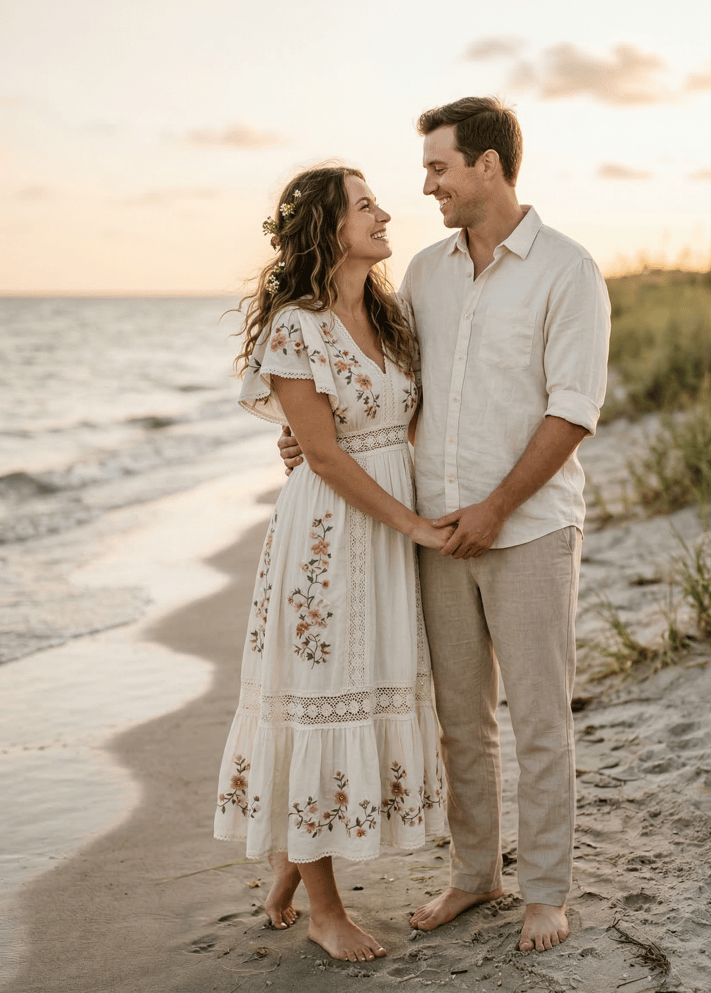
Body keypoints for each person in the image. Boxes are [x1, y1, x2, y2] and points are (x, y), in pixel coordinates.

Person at [279, 97, 611, 954]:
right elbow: (386, 383)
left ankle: (544, 889)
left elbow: (573, 411)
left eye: (439, 168)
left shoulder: (568, 272)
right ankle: (475, 873)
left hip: (528, 528)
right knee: (460, 716)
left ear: (489, 166)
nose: (425, 185)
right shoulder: (424, 273)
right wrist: (309, 434)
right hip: (434, 527)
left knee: (539, 714)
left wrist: (496, 508)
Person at [214, 165, 447, 963]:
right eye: (365, 204)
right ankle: (322, 909)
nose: (385, 213)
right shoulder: (294, 326)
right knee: (315, 699)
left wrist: (414, 515)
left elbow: (403, 424)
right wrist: (413, 522)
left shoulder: (391, 312)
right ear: (327, 227)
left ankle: (289, 865)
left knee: (366, 689)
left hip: (383, 536)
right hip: (326, 539)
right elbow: (319, 452)